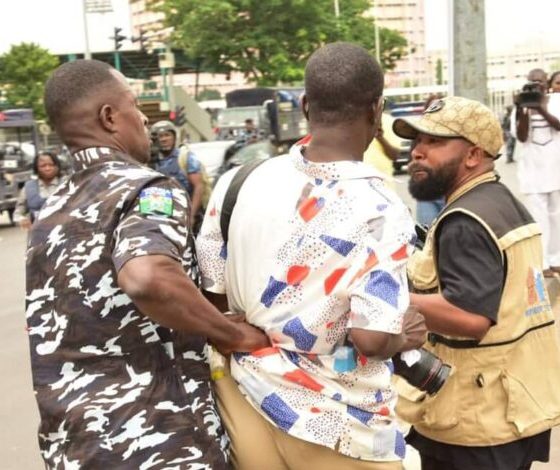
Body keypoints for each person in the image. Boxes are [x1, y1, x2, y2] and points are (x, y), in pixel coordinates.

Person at [26, 59, 268, 468]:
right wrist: (231, 335)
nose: (143, 119)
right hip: (159, 442)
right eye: (135, 106)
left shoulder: (50, 212)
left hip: (76, 447)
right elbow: (147, 275)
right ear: (109, 117)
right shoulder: (148, 189)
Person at [197, 42, 426, 469]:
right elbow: (372, 339)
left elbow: (213, 297)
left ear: (305, 105)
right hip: (342, 429)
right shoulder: (381, 208)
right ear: (377, 110)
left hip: (246, 407)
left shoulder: (238, 182)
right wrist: (406, 338)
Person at [392, 95, 560, 470]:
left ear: (472, 155)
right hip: (508, 408)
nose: (417, 151)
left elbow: (470, 317)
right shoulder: (498, 200)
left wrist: (385, 296)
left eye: (434, 142)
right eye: (417, 141)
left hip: (475, 421)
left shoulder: (465, 221)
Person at [511, 68, 560, 277]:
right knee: (538, 219)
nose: (536, 85)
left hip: (556, 171)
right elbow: (522, 137)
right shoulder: (521, 104)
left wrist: (541, 109)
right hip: (532, 174)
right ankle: (542, 262)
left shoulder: (556, 101)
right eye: (532, 81)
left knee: (557, 218)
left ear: (546, 83)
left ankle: (556, 259)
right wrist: (522, 110)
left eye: (539, 81)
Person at [151, 120, 206, 227]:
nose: (164, 139)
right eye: (160, 136)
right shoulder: (151, 161)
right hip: (161, 216)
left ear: (174, 137)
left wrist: (191, 215)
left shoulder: (185, 157)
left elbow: (199, 186)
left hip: (184, 214)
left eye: (167, 135)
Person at [13, 151, 63, 229]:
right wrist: (22, 219)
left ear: (57, 166)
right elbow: (18, 211)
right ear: (36, 168)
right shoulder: (28, 187)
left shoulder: (68, 184)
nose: (47, 168)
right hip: (38, 233)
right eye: (43, 166)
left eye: (51, 165)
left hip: (64, 232)